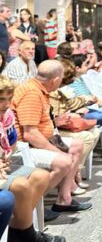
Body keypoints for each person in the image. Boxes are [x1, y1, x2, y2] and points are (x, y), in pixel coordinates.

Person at [12, 61, 92, 214]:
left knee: (77, 145)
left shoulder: (39, 89)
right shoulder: (31, 93)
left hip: (42, 138)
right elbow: (30, 134)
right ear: (55, 80)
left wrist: (56, 122)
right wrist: (57, 151)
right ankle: (30, 205)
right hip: (25, 146)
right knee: (64, 161)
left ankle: (64, 199)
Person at [0, 76, 65, 242]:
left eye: (9, 99)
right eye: (1, 99)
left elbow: (12, 144)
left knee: (41, 176)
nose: (7, 104)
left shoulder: (6, 116)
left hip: (4, 165)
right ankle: (28, 236)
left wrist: (5, 156)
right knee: (21, 186)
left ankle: (17, 231)